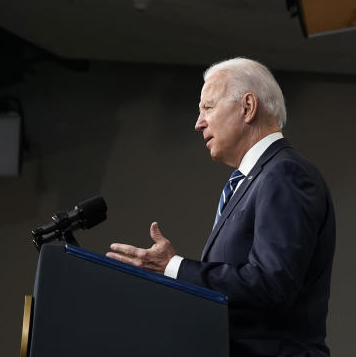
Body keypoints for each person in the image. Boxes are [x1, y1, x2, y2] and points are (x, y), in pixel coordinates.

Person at [106, 58, 335, 357]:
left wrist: (174, 267)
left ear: (248, 107)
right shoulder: (251, 180)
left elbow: (271, 286)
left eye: (208, 107)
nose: (198, 122)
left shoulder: (285, 174)